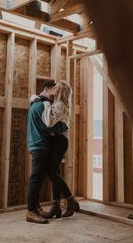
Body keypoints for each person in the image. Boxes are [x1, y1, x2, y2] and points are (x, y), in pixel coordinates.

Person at [31, 81, 80, 219]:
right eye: (53, 88)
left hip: (59, 141)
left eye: (56, 88)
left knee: (51, 172)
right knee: (55, 172)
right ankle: (56, 206)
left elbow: (48, 122)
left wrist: (44, 101)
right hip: (55, 140)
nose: (53, 90)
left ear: (61, 92)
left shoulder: (59, 105)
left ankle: (70, 200)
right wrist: (37, 98)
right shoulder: (56, 104)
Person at [26, 81, 67, 224]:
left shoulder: (36, 103)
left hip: (37, 144)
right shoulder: (42, 105)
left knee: (39, 178)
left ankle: (36, 208)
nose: (54, 93)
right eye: (53, 90)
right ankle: (31, 211)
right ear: (47, 89)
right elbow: (49, 126)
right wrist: (63, 127)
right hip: (39, 145)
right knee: (36, 178)